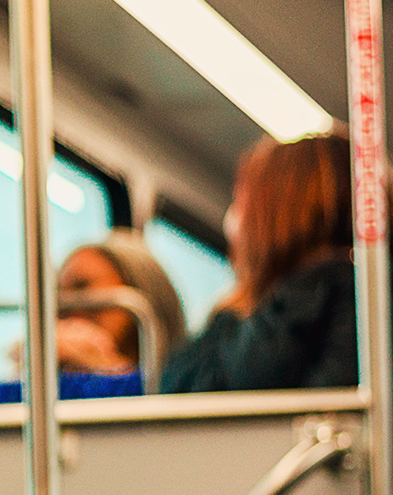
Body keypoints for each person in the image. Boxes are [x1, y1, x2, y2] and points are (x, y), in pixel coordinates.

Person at [161, 133, 356, 393]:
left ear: (274, 217)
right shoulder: (271, 309)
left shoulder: (325, 294)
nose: (232, 221)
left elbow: (184, 390)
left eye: (242, 204)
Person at [54, 230, 188, 375]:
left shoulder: (182, 379)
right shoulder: (51, 377)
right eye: (58, 293)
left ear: (138, 288)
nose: (64, 305)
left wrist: (104, 369)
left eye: (82, 286)